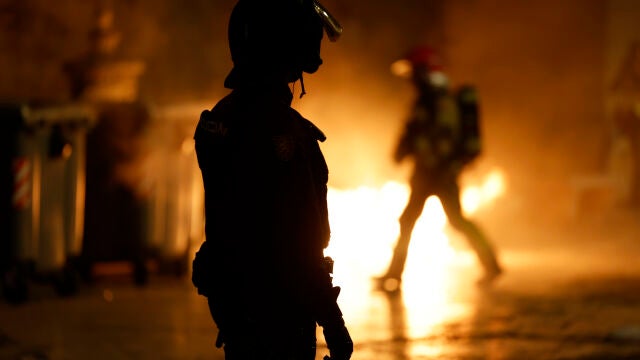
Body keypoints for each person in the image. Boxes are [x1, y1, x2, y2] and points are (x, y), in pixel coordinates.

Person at [191, 1, 353, 359]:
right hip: (281, 310)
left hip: (236, 308)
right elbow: (301, 241)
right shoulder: (284, 133)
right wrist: (333, 322)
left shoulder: (219, 120)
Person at [376, 46, 502, 292]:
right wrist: (403, 150)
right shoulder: (429, 99)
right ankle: (394, 275)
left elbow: (431, 135)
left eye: (413, 73)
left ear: (422, 72)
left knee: (448, 220)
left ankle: (491, 264)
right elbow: (414, 132)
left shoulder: (439, 101)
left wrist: (418, 154)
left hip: (439, 174)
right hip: (428, 173)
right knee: (413, 220)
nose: (410, 79)